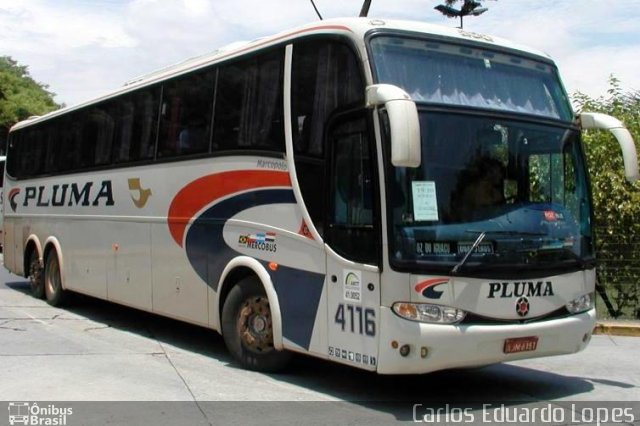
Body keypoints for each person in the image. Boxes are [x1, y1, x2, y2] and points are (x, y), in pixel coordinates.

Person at [449, 156, 505, 222]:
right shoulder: (475, 189)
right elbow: (484, 207)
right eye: (498, 172)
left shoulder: (492, 189)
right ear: (489, 173)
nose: (501, 175)